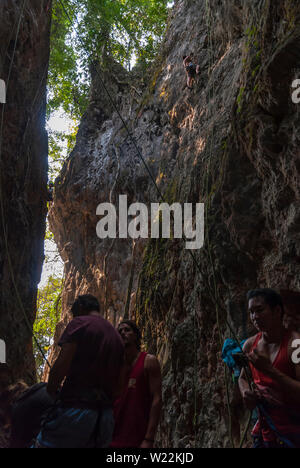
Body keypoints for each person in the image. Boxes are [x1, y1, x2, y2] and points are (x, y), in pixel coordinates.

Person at [34, 294, 124, 448]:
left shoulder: (80, 323)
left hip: (76, 411)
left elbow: (62, 364)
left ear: (81, 309)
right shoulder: (116, 336)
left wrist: (52, 388)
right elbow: (119, 387)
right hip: (104, 419)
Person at [239, 288, 300, 448]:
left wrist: (269, 371)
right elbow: (243, 378)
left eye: (259, 310)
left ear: (277, 310)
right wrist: (245, 392)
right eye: (251, 312)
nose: (254, 317)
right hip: (265, 431)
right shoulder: (250, 345)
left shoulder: (295, 345)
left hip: (293, 431)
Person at [110, 320, 162, 448]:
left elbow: (157, 399)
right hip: (111, 437)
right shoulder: (115, 367)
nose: (123, 333)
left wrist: (149, 439)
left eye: (127, 330)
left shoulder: (149, 361)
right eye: (119, 332)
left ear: (136, 336)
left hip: (138, 438)